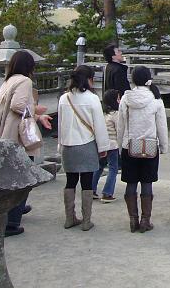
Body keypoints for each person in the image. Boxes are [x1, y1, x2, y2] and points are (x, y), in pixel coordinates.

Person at [0, 50, 52, 237]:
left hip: (3, 133)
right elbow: (18, 106)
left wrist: (38, 116)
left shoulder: (8, 81)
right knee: (23, 177)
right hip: (17, 137)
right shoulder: (25, 81)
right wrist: (35, 108)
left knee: (11, 176)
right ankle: (12, 221)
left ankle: (16, 209)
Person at [57, 65, 110, 231]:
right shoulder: (92, 98)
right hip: (86, 144)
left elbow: (60, 124)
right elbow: (99, 125)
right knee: (86, 182)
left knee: (70, 181)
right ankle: (86, 220)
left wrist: (60, 144)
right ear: (89, 79)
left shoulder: (64, 98)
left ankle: (69, 217)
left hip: (68, 144)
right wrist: (103, 146)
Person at [117, 65, 168, 233]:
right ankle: (146, 220)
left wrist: (120, 145)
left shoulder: (126, 99)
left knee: (131, 183)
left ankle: (133, 220)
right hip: (150, 146)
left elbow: (121, 125)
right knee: (147, 183)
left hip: (129, 146)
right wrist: (164, 146)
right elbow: (161, 126)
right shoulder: (156, 100)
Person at [92, 89, 120, 202]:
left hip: (102, 144)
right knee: (113, 168)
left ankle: (91, 190)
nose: (119, 100)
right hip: (113, 145)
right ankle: (107, 193)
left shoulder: (101, 114)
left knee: (99, 167)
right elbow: (119, 130)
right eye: (118, 98)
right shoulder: (116, 114)